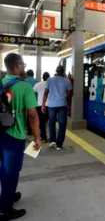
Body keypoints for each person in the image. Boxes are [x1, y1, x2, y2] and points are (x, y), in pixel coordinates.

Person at [0, 53, 41, 220]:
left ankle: (7, 196)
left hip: (0, 133)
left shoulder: (1, 83)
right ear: (17, 66)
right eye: (22, 64)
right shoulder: (24, 87)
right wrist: (37, 138)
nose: (24, 67)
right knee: (11, 172)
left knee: (4, 168)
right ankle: (5, 210)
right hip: (14, 135)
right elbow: (32, 115)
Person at [42, 66, 73, 150]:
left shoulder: (49, 80)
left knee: (51, 122)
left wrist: (43, 105)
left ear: (56, 71)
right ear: (63, 72)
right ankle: (59, 144)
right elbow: (70, 94)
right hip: (62, 105)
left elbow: (45, 94)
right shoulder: (67, 81)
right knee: (62, 124)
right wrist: (69, 104)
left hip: (51, 105)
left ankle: (52, 140)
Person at [33, 72, 50, 143]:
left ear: (42, 77)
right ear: (49, 78)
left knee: (42, 122)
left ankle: (43, 137)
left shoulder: (38, 84)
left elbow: (33, 91)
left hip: (40, 105)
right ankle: (53, 139)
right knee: (51, 122)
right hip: (50, 105)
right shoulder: (51, 84)